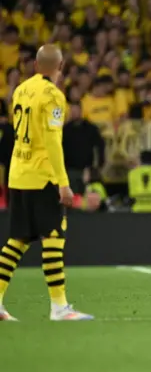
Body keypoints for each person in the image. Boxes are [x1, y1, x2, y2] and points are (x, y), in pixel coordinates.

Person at [0, 45, 93, 321]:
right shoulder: (53, 96)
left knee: (17, 240)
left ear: (37, 64)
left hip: (18, 174)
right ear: (60, 65)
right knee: (53, 237)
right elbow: (53, 142)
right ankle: (59, 307)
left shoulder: (20, 90)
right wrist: (63, 183)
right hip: (42, 178)